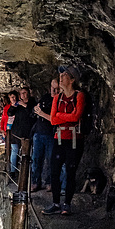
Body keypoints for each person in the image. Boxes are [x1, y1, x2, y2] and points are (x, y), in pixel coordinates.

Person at [42, 65, 85, 216]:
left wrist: (61, 115)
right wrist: (64, 116)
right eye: (60, 74)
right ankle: (55, 203)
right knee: (54, 171)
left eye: (65, 74)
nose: (61, 77)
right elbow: (53, 121)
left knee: (70, 172)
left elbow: (76, 117)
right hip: (59, 138)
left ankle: (67, 204)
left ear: (72, 79)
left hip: (74, 139)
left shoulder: (79, 96)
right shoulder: (57, 98)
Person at [32, 78, 59, 191]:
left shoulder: (59, 100)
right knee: (36, 159)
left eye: (56, 89)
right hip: (39, 132)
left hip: (50, 134)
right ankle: (35, 182)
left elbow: (54, 119)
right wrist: (36, 110)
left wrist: (41, 113)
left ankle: (49, 182)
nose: (54, 91)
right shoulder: (45, 97)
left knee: (50, 160)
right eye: (52, 88)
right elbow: (36, 110)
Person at [8, 86, 36, 175]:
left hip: (27, 133)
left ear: (28, 93)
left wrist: (24, 105)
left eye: (24, 93)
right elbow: (10, 113)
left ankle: (26, 173)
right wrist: (14, 105)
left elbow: (33, 113)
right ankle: (13, 171)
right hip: (16, 132)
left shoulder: (32, 103)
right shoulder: (18, 105)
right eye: (21, 93)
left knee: (26, 154)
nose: (23, 95)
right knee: (14, 151)